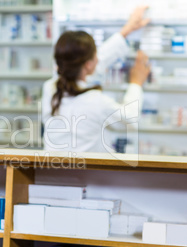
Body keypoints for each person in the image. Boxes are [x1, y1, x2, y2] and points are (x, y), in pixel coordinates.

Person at [42, 6, 151, 153]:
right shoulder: (95, 101)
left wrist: (126, 31)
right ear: (89, 64)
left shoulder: (50, 89)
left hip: (51, 173)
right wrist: (136, 84)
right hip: (84, 175)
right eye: (95, 57)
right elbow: (129, 119)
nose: (99, 59)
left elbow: (83, 63)